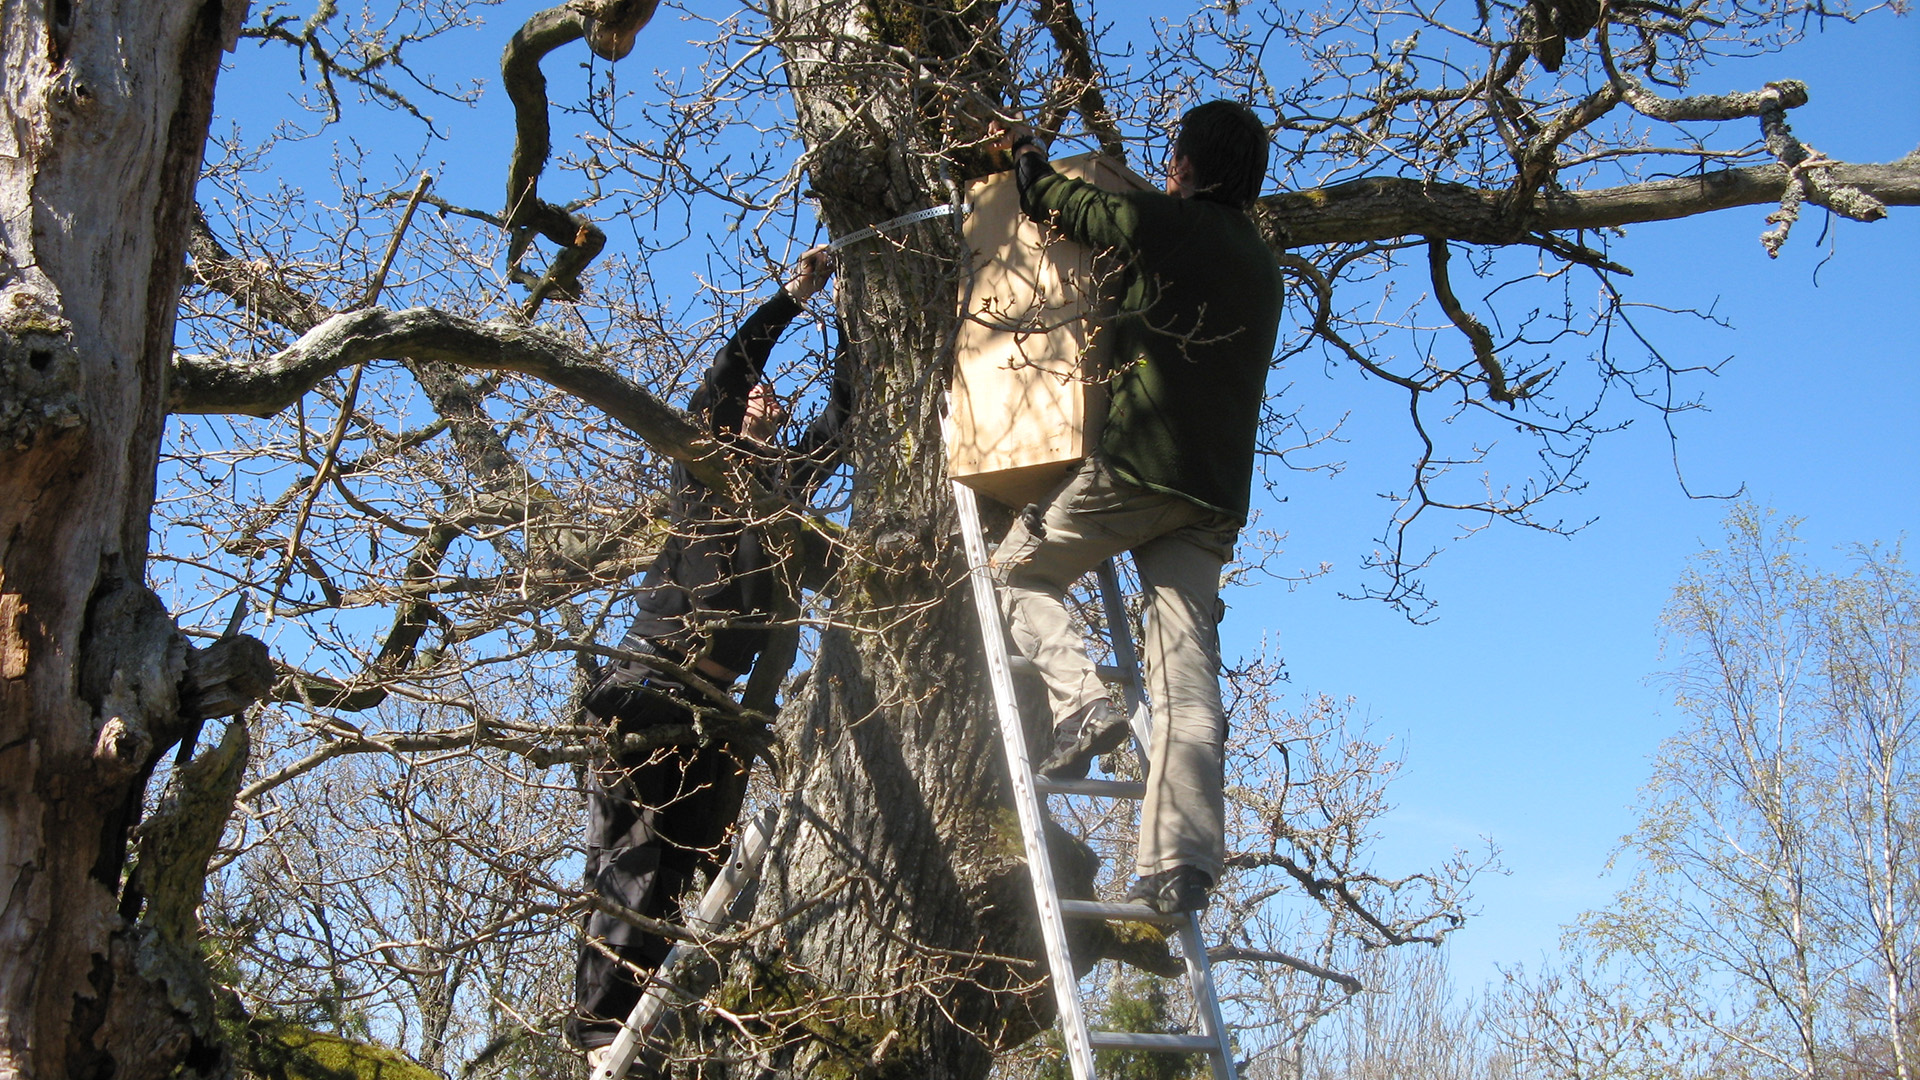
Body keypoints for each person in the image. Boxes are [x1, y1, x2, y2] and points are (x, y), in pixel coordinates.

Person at [989, 101, 1283, 915]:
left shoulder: (1168, 224)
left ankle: (1082, 703)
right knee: (1188, 691)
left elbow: (1059, 202)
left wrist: (1025, 150)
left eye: (1173, 158)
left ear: (1185, 167)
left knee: (1012, 572)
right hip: (1213, 502)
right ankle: (1181, 863)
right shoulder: (1264, 266)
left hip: (1138, 474)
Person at [569, 246, 850, 1057]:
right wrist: (796, 296)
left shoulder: (786, 486)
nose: (764, 394)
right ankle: (596, 1028)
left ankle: (647, 1028)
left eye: (774, 395)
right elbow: (730, 371)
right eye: (753, 397)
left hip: (718, 715)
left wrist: (860, 320)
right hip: (653, 684)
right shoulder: (705, 465)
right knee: (631, 858)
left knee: (688, 862)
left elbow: (846, 413)